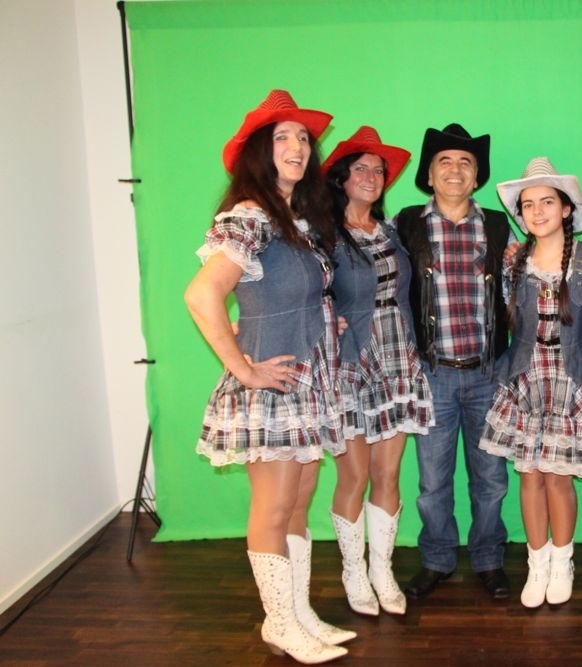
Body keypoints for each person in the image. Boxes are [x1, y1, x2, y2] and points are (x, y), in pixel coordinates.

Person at [185, 90, 355, 663]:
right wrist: (242, 368)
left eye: (303, 138)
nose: (297, 146)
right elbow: (202, 295)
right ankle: (279, 623)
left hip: (307, 380)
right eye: (283, 137)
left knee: (299, 501)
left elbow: (290, 292)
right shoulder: (251, 216)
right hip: (274, 385)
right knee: (274, 507)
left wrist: (327, 316)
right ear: (260, 152)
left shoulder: (295, 221)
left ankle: (298, 614)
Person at [395, 123, 513, 600]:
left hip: (488, 373)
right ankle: (437, 560)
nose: (455, 169)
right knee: (432, 482)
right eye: (444, 161)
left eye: (466, 162)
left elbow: (527, 278)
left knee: (491, 479)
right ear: (429, 174)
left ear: (477, 176)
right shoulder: (407, 223)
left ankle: (488, 559)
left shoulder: (499, 225)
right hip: (433, 373)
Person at [321, 126, 433, 616]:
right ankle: (353, 571)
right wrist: (328, 316)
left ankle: (382, 570)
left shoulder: (392, 232)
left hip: (398, 357)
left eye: (379, 170)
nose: (371, 176)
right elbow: (306, 287)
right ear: (342, 178)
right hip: (351, 362)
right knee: (354, 475)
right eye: (361, 168)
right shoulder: (323, 234)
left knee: (388, 473)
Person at [479, 158, 582, 608]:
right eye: (528, 205)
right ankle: (538, 562)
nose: (537, 211)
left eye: (547, 202)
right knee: (529, 475)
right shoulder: (514, 261)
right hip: (525, 378)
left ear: (566, 208)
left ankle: (563, 561)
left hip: (569, 380)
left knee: (558, 478)